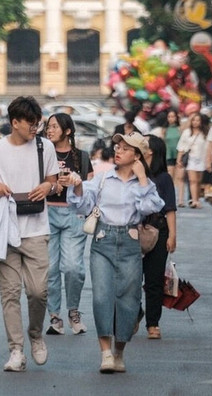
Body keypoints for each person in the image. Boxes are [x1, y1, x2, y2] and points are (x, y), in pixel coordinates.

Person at [0, 95, 59, 372]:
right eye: (30, 124)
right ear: (15, 122)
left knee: (38, 291)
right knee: (9, 294)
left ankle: (36, 334)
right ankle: (16, 350)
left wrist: (48, 188)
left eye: (38, 123)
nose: (35, 129)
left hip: (36, 230)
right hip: (4, 231)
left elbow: (54, 182)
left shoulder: (46, 147)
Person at [66, 131, 164, 373]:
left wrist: (142, 179)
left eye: (125, 148)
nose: (118, 150)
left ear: (137, 156)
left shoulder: (146, 184)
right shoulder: (103, 178)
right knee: (101, 297)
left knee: (128, 299)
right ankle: (106, 353)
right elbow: (82, 203)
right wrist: (78, 186)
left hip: (130, 241)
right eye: (117, 146)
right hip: (103, 239)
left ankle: (119, 351)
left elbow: (149, 208)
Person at [44, 113, 93, 337]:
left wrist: (76, 182)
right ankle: (55, 316)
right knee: (51, 268)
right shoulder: (42, 154)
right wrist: (52, 184)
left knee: (73, 267)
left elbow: (90, 190)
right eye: (48, 126)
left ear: (68, 131)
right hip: (46, 213)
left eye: (54, 126)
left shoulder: (81, 157)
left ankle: (73, 311)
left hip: (74, 214)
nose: (49, 130)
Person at [141, 134, 177, 339]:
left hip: (159, 231)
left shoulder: (163, 178)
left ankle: (153, 323)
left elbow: (170, 208)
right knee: (129, 279)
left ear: (151, 150)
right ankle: (134, 313)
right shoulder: (132, 173)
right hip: (133, 230)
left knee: (154, 280)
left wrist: (172, 235)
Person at [176, 111, 209, 208]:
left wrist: (209, 159)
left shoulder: (205, 133)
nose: (195, 122)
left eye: (198, 120)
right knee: (192, 180)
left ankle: (196, 199)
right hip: (191, 159)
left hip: (201, 159)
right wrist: (179, 159)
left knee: (198, 181)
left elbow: (208, 147)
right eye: (193, 120)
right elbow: (181, 146)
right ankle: (194, 200)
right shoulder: (187, 133)